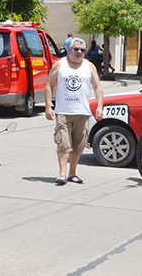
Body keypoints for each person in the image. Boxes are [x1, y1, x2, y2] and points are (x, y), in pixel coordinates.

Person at [45, 37, 103, 186]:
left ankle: (73, 173)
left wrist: (99, 107)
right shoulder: (60, 64)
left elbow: (97, 87)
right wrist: (48, 107)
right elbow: (49, 85)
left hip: (82, 112)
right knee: (64, 144)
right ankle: (62, 174)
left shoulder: (89, 66)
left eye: (82, 50)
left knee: (79, 146)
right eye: (76, 49)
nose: (79, 52)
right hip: (63, 112)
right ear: (69, 50)